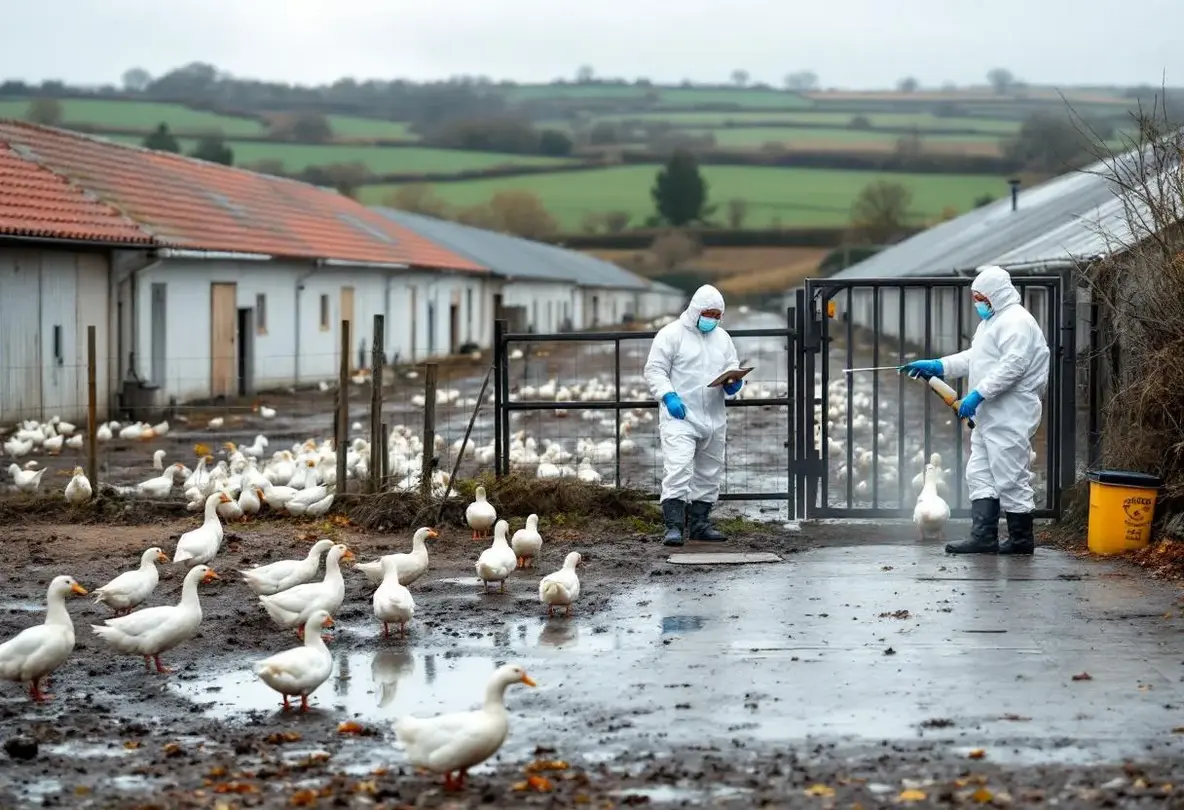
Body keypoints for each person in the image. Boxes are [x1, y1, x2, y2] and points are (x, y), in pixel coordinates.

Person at [900, 265, 1050, 556]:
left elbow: (1013, 366)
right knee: (979, 473)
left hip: (1011, 410)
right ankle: (984, 537)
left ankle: (1021, 541)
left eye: (981, 297)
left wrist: (978, 394)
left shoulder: (1017, 322)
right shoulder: (991, 323)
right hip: (990, 412)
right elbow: (976, 357)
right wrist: (940, 366)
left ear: (996, 294)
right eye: (976, 297)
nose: (978, 303)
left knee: (1010, 476)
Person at [644, 284, 744, 547]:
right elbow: (655, 370)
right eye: (708, 313)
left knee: (709, 472)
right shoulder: (671, 335)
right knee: (678, 468)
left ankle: (700, 523)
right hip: (680, 416)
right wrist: (668, 395)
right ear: (696, 309)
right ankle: (673, 526)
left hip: (713, 415)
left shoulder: (722, 338)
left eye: (716, 314)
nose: (712, 318)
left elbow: (731, 365)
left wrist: (733, 383)